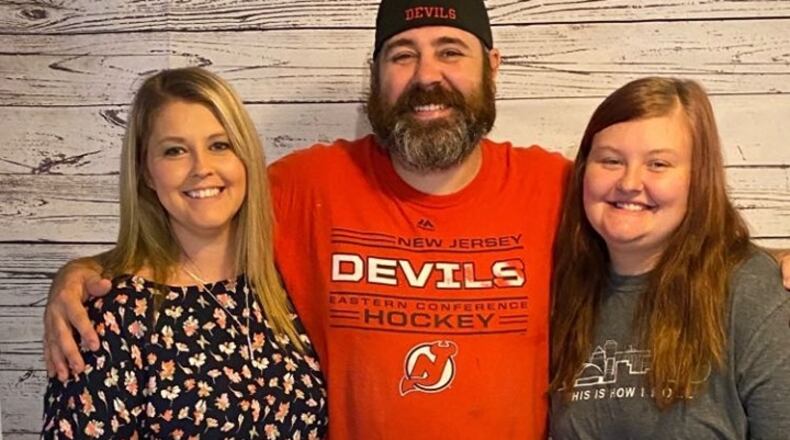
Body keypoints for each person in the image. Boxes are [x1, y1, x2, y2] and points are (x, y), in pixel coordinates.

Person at [41, 1, 790, 439]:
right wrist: (82, 275)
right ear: (377, 76)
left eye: (450, 51)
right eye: (402, 54)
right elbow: (192, 217)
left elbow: (655, 222)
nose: (426, 75)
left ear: (491, 68)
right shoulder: (303, 187)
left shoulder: (561, 189)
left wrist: (758, 270)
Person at [41, 67, 327, 439]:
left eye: (220, 145)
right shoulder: (114, 314)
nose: (202, 168)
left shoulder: (284, 282)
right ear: (145, 171)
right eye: (175, 150)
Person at [549, 77, 790, 439]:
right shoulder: (561, 290)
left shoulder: (753, 293)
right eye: (611, 160)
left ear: (699, 179)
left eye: (658, 164)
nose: (629, 182)